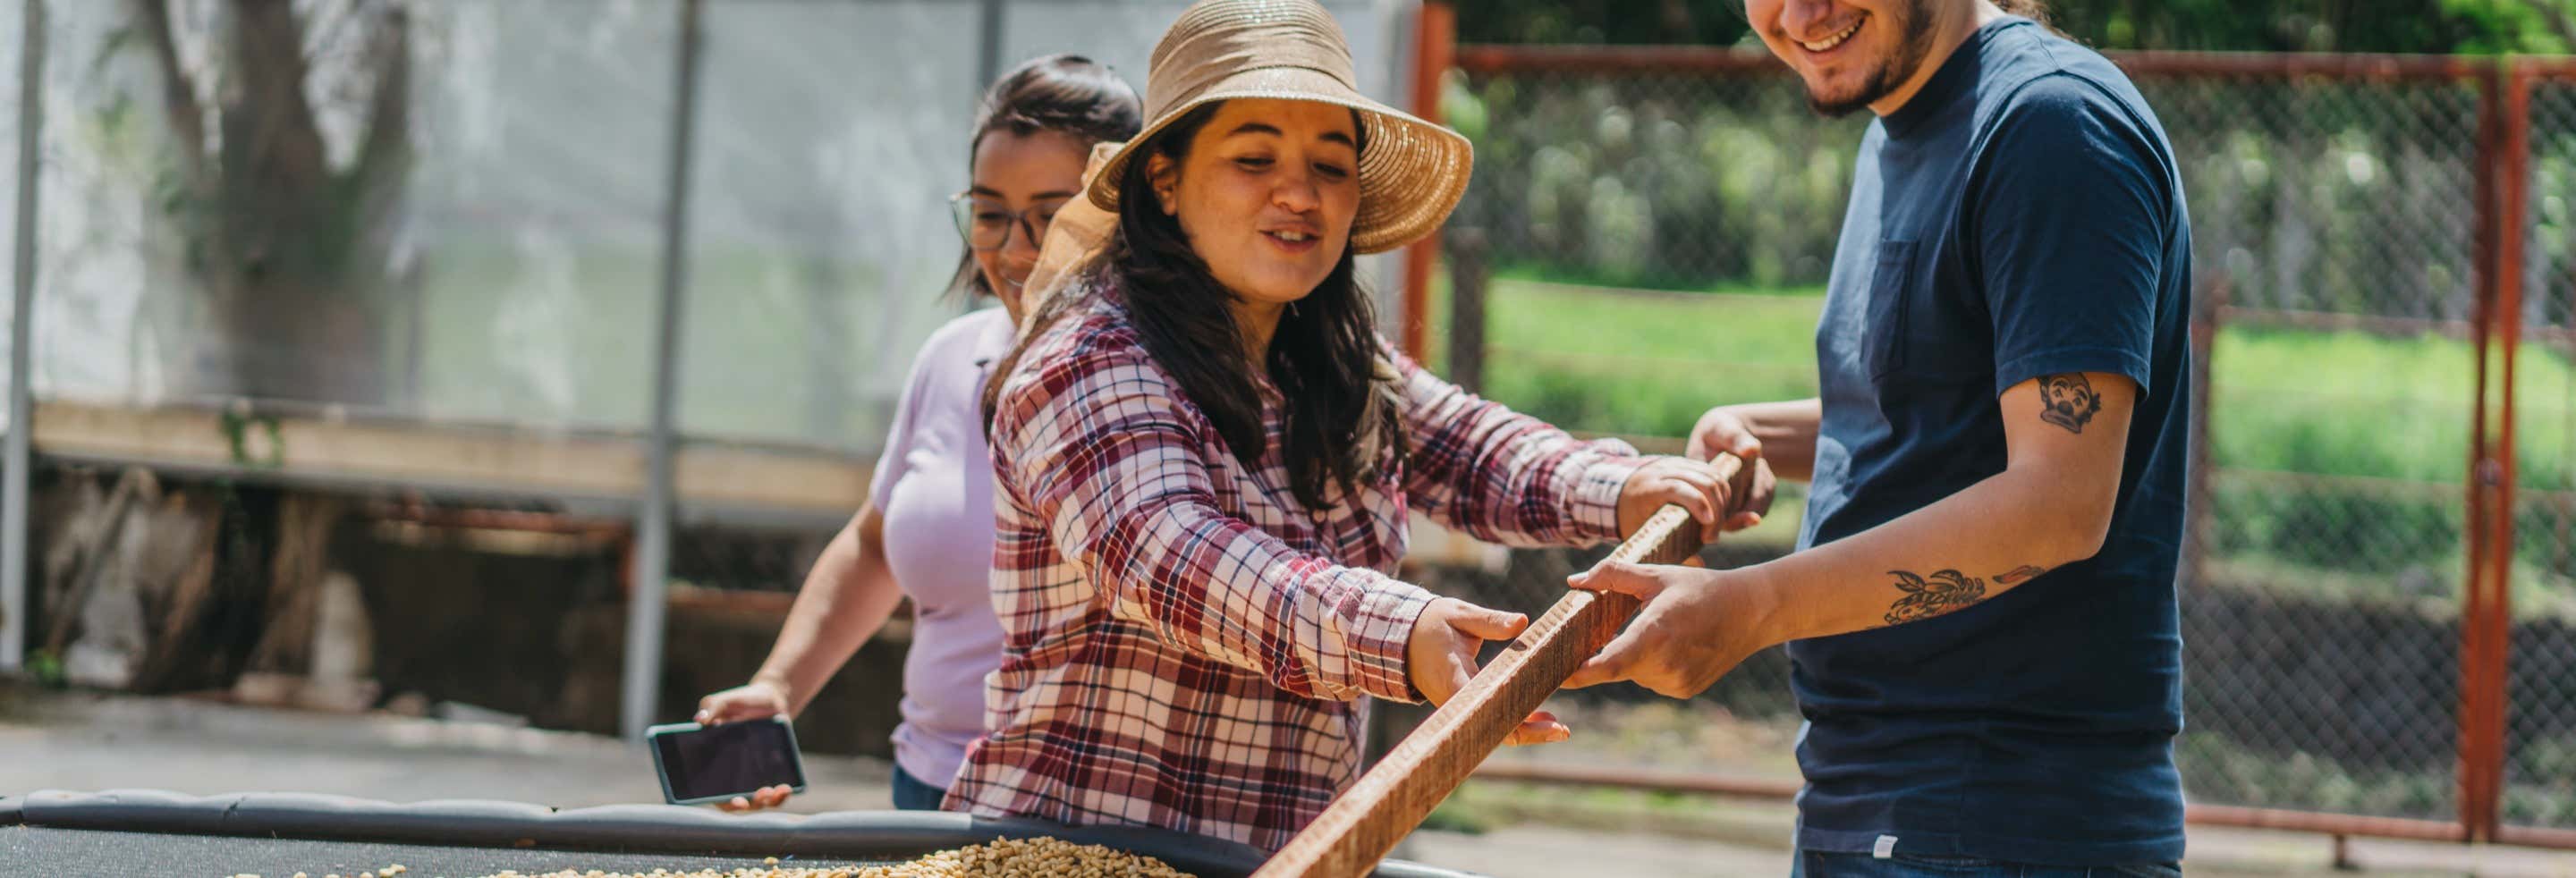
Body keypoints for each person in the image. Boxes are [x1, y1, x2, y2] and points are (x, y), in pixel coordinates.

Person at [946, 0, 1749, 850]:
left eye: (1331, 167)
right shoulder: (1086, 361)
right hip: (1075, 854)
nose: (1299, 195)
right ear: (1166, 181)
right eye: (1253, 158)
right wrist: (1399, 631)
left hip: (1286, 855)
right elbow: (1169, 550)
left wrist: (1629, 488)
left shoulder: (1326, 359)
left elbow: (1474, 450)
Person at [1561, 0, 2192, 874]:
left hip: (2007, 816)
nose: (1801, 13)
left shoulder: (2052, 126)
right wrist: (1762, 434)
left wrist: (1753, 607)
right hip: (1874, 796)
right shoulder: (1905, 117)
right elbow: (1946, 413)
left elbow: (2058, 501)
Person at [690, 55, 1141, 814]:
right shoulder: (950, 358)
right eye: (992, 213)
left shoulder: (1164, 383)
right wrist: (778, 687)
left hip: (1100, 818)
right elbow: (874, 547)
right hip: (926, 790)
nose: (1015, 248)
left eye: (1052, 213)